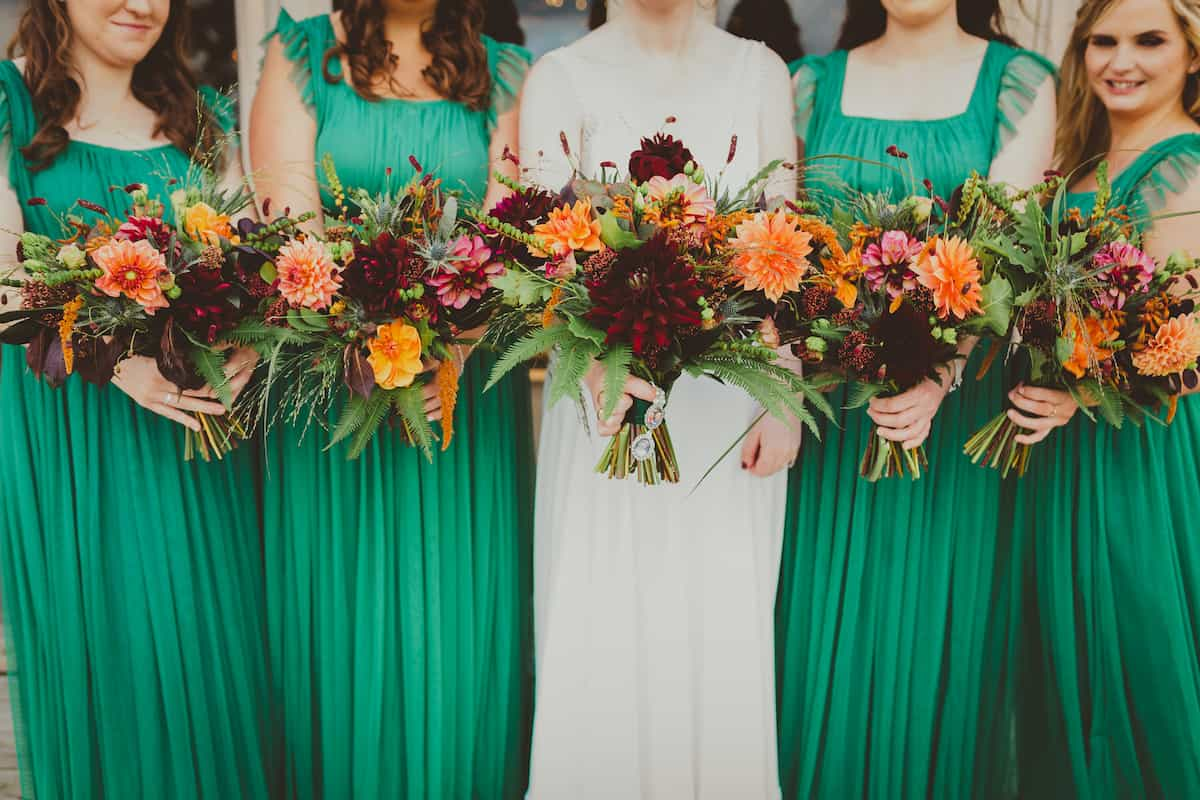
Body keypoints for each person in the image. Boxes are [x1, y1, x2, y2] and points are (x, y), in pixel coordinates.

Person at [250, 0, 535, 796]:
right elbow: (287, 234)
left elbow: (513, 238)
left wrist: (452, 340)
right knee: (343, 630)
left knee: (451, 627)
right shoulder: (302, 55)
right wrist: (373, 339)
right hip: (335, 387)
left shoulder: (504, 72)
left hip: (459, 399)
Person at [775, 1, 1057, 797]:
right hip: (830, 416)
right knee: (816, 638)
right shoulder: (808, 84)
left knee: (934, 639)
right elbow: (783, 249)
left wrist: (937, 377)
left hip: (953, 415)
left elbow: (1004, 253)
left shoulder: (1022, 83)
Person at [518, 0, 798, 795]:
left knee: (719, 626)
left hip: (727, 407)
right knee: (605, 622)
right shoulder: (559, 76)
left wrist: (784, 392)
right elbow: (541, 256)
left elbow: (784, 249)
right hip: (609, 400)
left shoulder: (760, 72)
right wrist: (595, 361)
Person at [0, 1, 270, 797]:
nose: (140, 4)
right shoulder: (9, 103)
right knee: (107, 654)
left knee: (209, 650)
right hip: (73, 433)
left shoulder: (197, 120)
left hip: (195, 435)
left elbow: (250, 255)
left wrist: (252, 335)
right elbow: (2, 270)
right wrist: (116, 364)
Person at [1009, 0, 1200, 796]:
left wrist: (1079, 398)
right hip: (1060, 453)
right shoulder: (1080, 168)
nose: (1122, 60)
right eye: (1103, 41)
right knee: (1069, 652)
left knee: (1139, 639)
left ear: (1192, 54)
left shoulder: (1189, 163)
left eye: (1150, 40)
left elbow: (1185, 332)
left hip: (1142, 449)